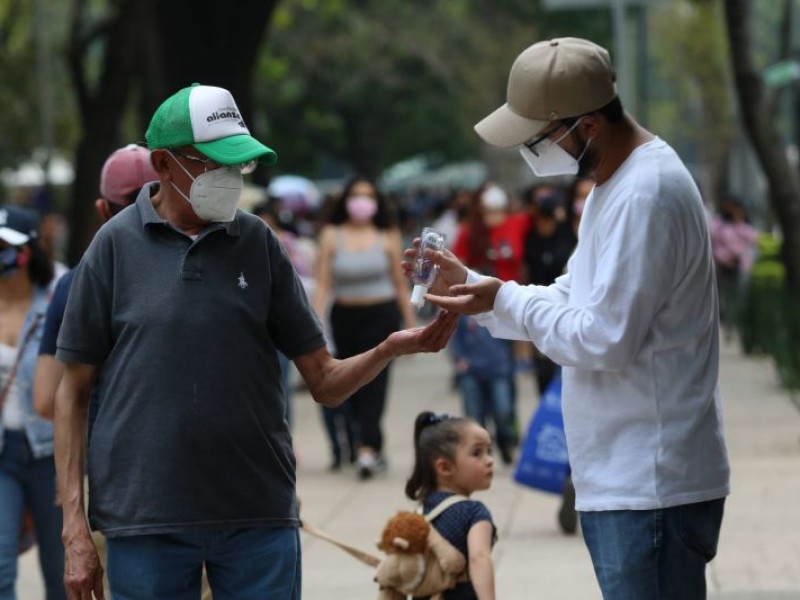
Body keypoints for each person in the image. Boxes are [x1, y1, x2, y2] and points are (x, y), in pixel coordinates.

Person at [54, 83, 457, 600]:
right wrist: (74, 528)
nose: (229, 178)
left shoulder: (258, 243)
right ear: (164, 165)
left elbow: (325, 384)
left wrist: (389, 348)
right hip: (145, 522)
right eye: (214, 163)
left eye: (237, 166)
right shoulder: (112, 248)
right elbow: (71, 394)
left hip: (258, 519)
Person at [408, 38, 729, 599]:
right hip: (628, 478)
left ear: (585, 126)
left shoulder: (644, 193)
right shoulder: (616, 182)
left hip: (649, 484)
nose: (532, 155)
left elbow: (604, 337)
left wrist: (502, 300)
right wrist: (481, 289)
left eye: (537, 139)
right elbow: (573, 293)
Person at [32, 144, 159, 599]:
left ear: (103, 209)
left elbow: (47, 399)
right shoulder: (214, 261)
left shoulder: (77, 281)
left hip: (113, 489)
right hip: (209, 491)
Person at [313, 176, 417, 478]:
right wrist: (316, 321)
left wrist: (410, 322)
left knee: (375, 383)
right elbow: (323, 282)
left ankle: (368, 448)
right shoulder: (332, 234)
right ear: (346, 201)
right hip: (344, 316)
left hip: (381, 316)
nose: (361, 201)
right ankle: (364, 443)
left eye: (367, 196)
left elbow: (400, 284)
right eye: (356, 195)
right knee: (350, 381)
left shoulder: (387, 234)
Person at [0, 205, 63, 600]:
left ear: (28, 252)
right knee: (1, 567)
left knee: (62, 572)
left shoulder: (60, 295)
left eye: (5, 246)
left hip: (52, 454)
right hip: (4, 454)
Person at [405, 411, 497, 600]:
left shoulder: (420, 512)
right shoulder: (473, 512)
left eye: (489, 451)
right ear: (444, 467)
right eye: (477, 453)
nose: (489, 460)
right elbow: (479, 558)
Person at [449, 316, 515, 465]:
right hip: (471, 371)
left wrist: (509, 360)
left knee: (503, 410)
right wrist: (459, 358)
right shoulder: (462, 311)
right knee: (474, 416)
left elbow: (513, 336)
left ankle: (505, 441)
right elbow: (453, 335)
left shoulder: (498, 306)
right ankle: (483, 451)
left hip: (498, 368)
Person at [709, 198, 757, 342]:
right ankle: (729, 328)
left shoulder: (742, 226)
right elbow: (714, 245)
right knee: (726, 298)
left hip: (740, 265)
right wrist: (725, 257)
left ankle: (741, 329)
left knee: (740, 297)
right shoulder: (719, 225)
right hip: (724, 267)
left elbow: (753, 238)